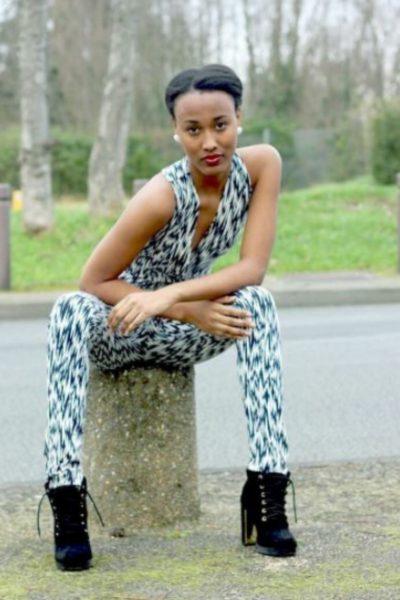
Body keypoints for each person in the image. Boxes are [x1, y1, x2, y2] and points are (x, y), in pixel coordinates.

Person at [38, 63, 297, 571]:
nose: (209, 142)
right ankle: (66, 496)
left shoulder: (262, 166)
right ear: (176, 131)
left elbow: (252, 269)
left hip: (186, 324)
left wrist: (175, 301)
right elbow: (93, 280)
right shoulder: (160, 195)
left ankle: (267, 490)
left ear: (239, 118)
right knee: (68, 308)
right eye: (193, 129)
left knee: (258, 304)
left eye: (220, 124)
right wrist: (176, 305)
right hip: (122, 329)